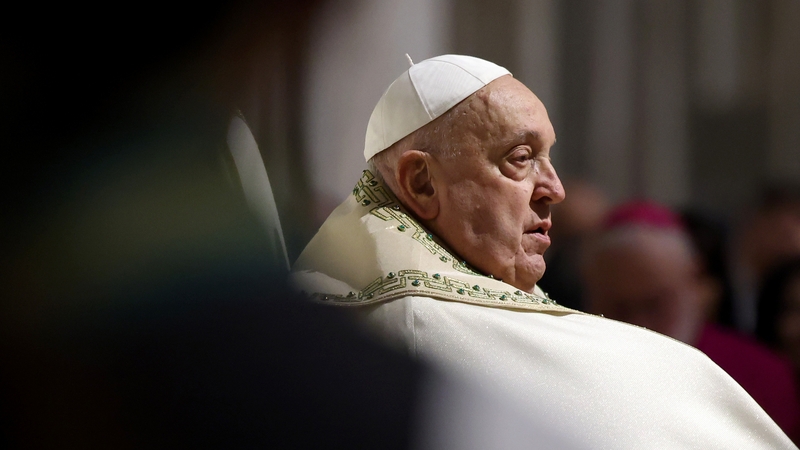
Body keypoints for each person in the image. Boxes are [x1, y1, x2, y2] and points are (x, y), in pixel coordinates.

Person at [291, 54, 796, 448]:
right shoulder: (416, 323)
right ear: (422, 182)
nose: (554, 189)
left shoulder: (320, 311)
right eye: (520, 158)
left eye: (548, 157)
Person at [582, 200, 800, 440]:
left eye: (654, 304)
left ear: (693, 281)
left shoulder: (760, 374)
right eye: (619, 307)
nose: (638, 323)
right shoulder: (576, 373)